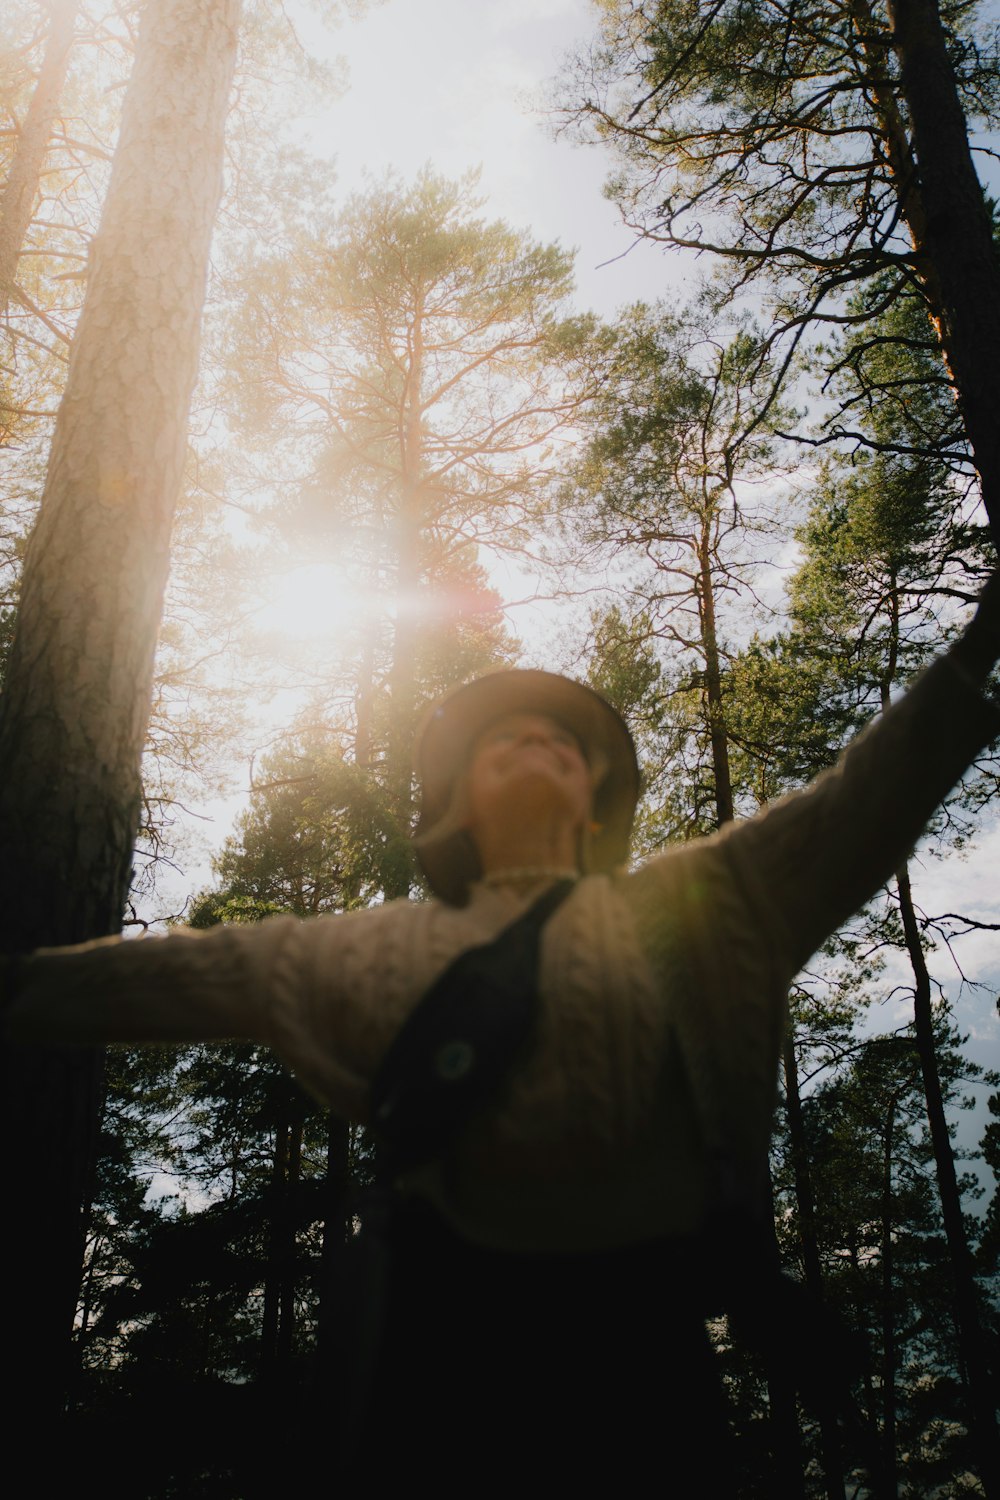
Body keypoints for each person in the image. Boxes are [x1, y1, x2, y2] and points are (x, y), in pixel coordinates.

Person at [4, 574, 1000, 1487]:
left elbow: (862, 801)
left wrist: (978, 643)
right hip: (441, 1359)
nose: (540, 744)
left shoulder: (704, 904)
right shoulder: (376, 947)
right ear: (458, 799)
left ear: (595, 795)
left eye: (565, 743)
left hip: (648, 1358)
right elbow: (186, 971)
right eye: (504, 739)